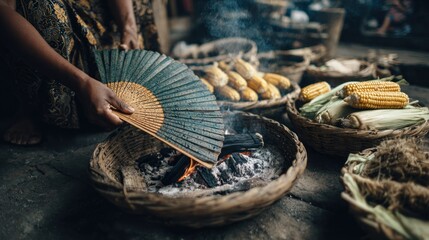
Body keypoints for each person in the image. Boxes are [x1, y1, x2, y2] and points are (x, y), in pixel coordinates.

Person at [0, 0, 160, 145]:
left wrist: (129, 28)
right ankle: (31, 106)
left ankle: (99, 88)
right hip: (39, 21)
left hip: (89, 8)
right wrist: (82, 83)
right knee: (40, 7)